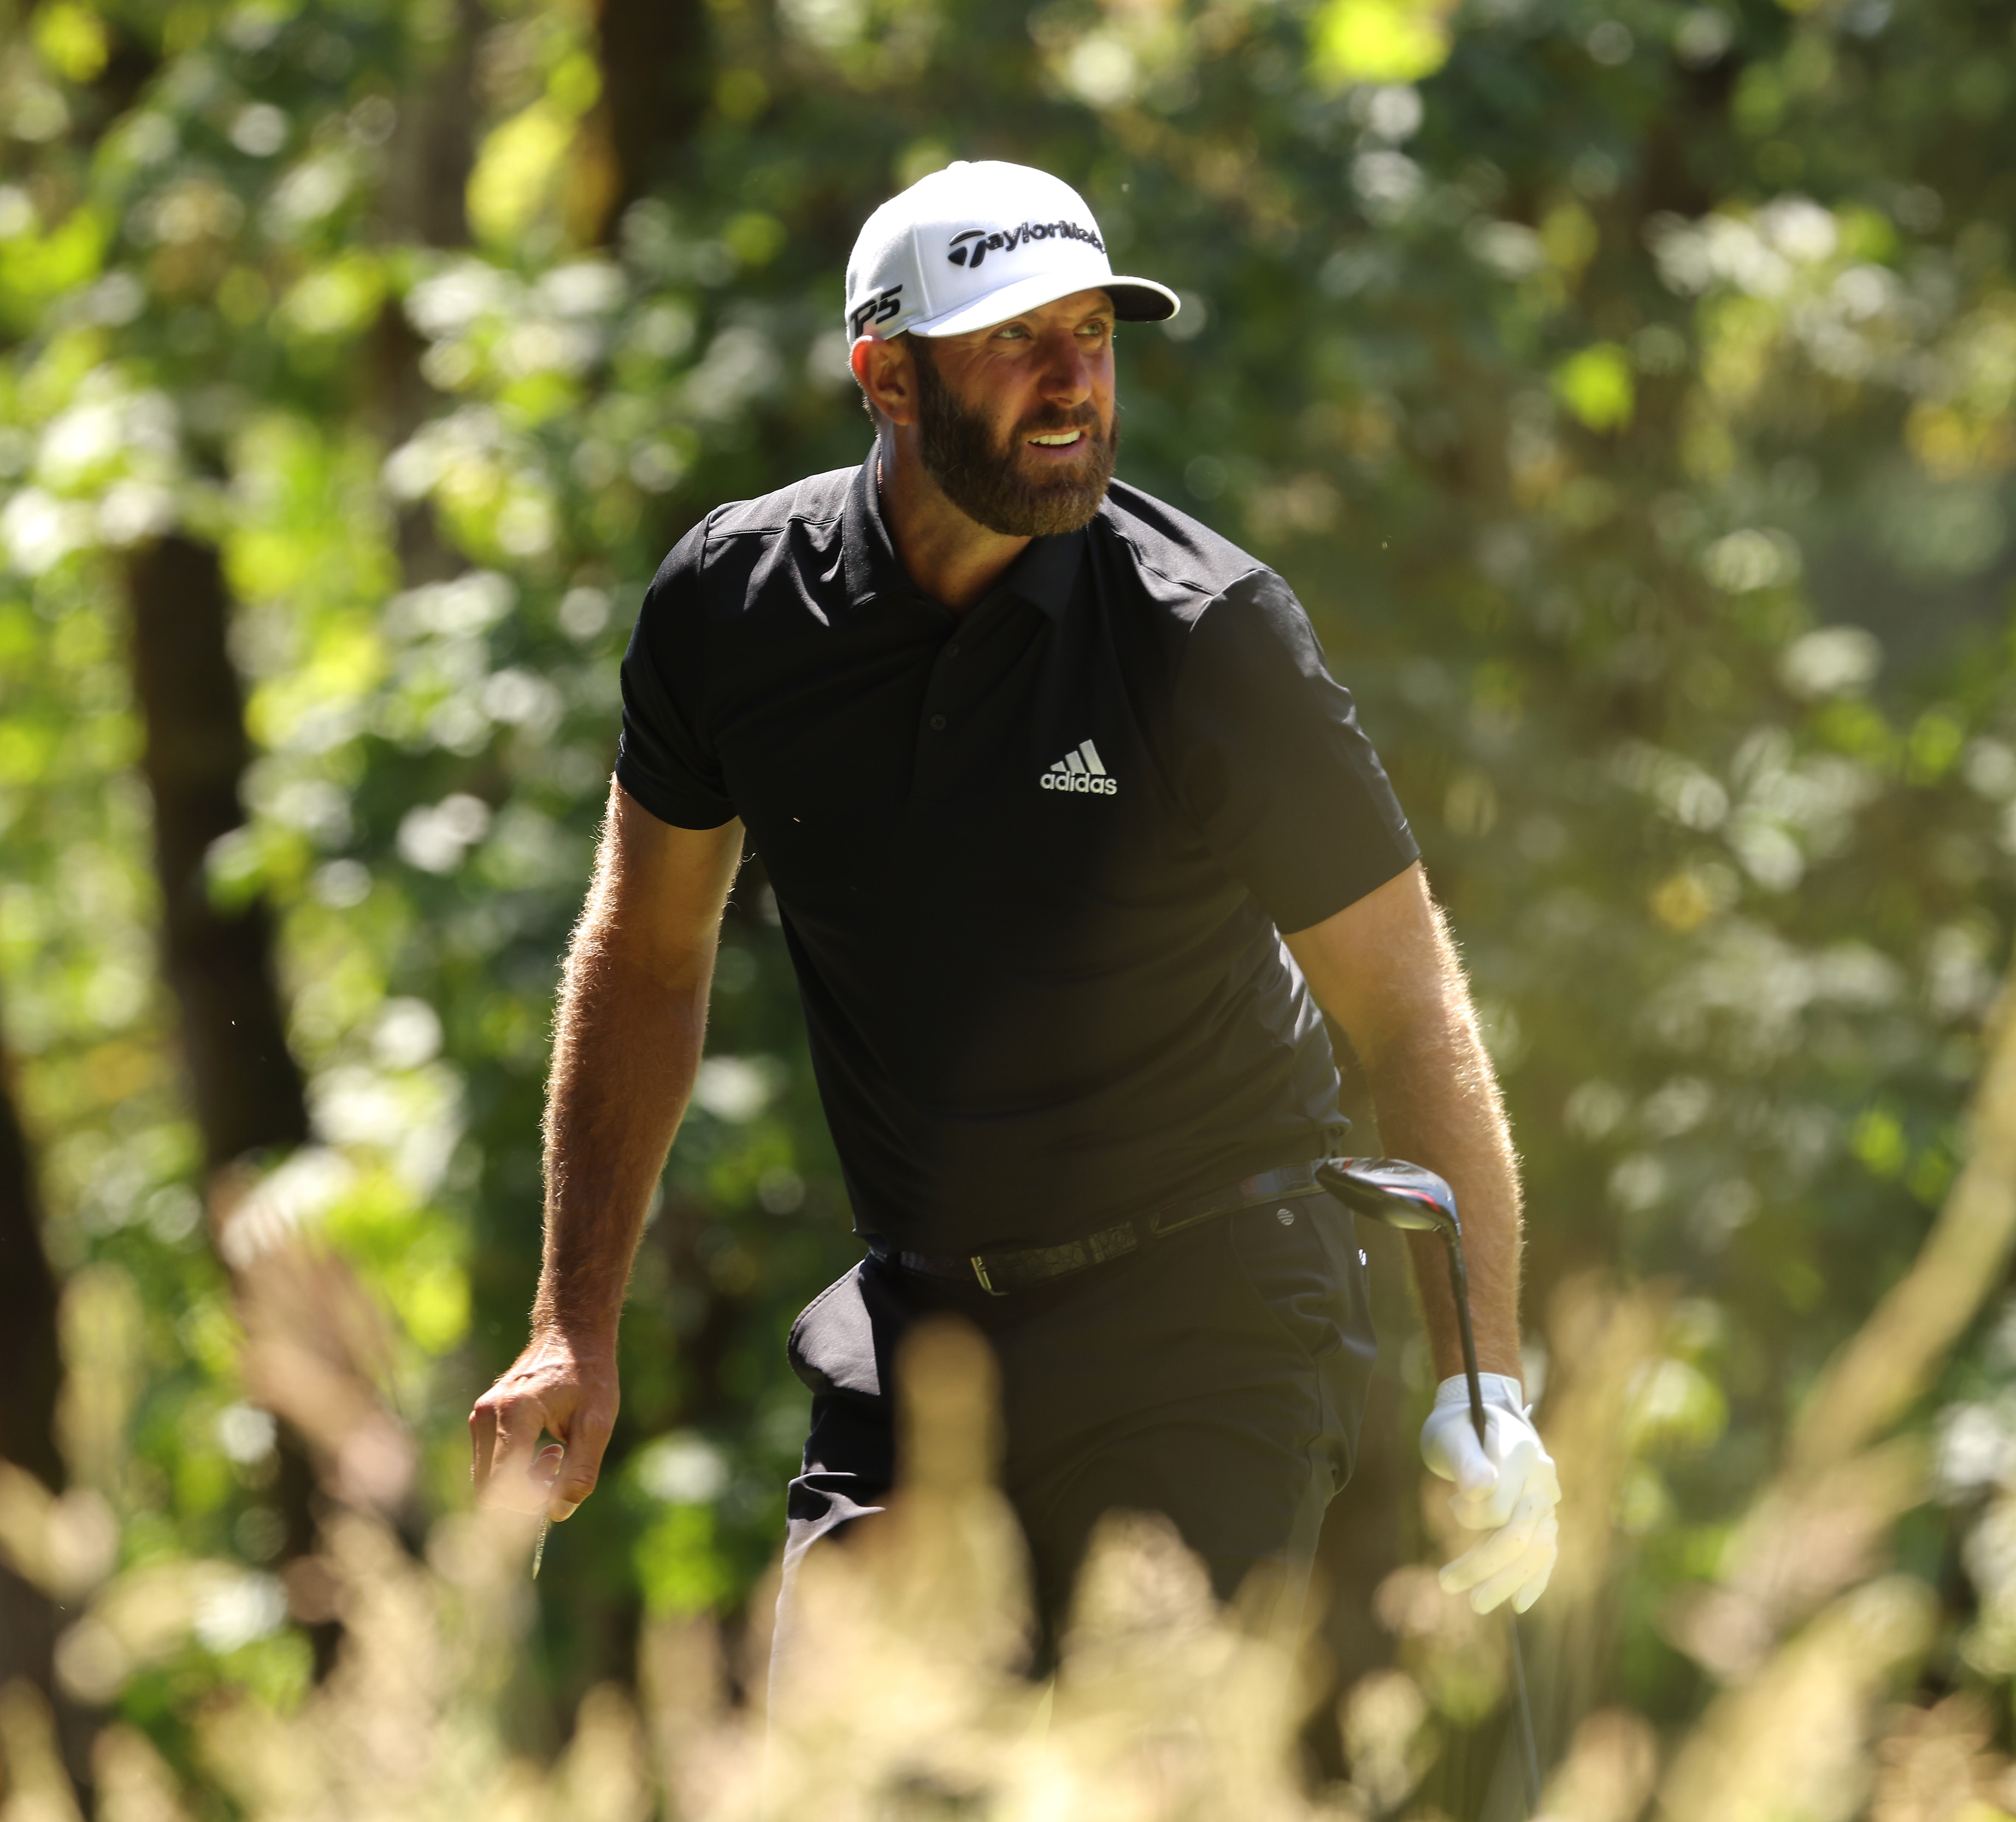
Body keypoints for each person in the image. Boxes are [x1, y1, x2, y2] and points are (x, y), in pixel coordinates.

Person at [468, 160, 1561, 1650]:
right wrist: (571, 1324)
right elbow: (646, 955)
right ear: (888, 378)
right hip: (917, 1331)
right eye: (1011, 341)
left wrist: (1478, 1383)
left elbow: (1407, 1004)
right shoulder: (730, 613)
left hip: (1211, 1314)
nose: (1071, 385)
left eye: (1092, 337)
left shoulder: (1208, 636)